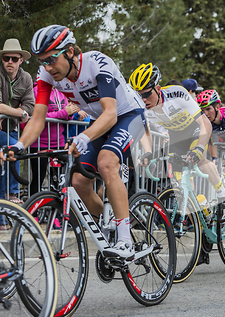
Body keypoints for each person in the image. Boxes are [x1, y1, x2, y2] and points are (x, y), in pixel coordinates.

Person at [1, 25, 147, 260]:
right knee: (79, 181)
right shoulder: (46, 75)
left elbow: (111, 113)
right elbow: (38, 117)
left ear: (69, 51)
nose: (47, 67)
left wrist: (83, 136)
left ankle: (125, 240)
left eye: (51, 59)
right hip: (102, 121)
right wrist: (20, 145)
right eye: (42, 61)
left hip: (129, 115)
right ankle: (112, 226)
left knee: (107, 162)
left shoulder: (97, 63)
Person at [129, 64, 225, 221]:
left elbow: (205, 123)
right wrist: (148, 153)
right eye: (139, 95)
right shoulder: (142, 107)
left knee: (201, 159)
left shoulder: (177, 95)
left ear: (158, 88)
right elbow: (145, 130)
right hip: (176, 136)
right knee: (181, 187)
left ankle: (223, 196)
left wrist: (199, 147)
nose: (143, 100)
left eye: (147, 94)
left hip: (195, 130)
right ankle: (200, 215)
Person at [27, 84, 80, 195]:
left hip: (59, 143)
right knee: (38, 179)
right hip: (39, 143)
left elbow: (65, 116)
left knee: (59, 182)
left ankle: (57, 211)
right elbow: (38, 116)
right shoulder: (37, 91)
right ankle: (32, 212)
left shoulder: (61, 91)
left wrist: (71, 113)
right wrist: (65, 112)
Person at [0, 38, 35, 207]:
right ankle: (12, 192)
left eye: (14, 59)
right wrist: (20, 112)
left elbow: (31, 106)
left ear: (21, 60)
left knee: (11, 154)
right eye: (6, 58)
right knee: (15, 147)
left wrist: (9, 114)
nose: (10, 62)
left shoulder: (26, 78)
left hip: (11, 128)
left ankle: (6, 208)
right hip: (4, 129)